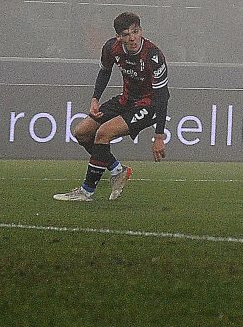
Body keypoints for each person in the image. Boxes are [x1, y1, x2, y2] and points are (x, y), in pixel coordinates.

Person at [53, 12, 169, 202]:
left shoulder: (153, 55)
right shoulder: (111, 48)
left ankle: (87, 191)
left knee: (103, 133)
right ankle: (117, 170)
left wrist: (159, 136)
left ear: (141, 31)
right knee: (82, 132)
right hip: (126, 100)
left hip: (149, 105)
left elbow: (162, 96)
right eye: (126, 34)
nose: (132, 38)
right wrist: (95, 98)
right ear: (118, 37)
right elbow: (104, 71)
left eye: (135, 32)